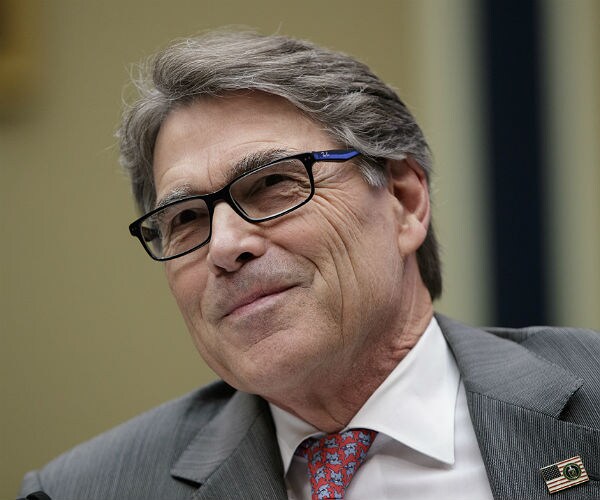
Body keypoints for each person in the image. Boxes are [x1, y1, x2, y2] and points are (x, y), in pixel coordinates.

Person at [18, 31, 599, 500]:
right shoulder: (81, 490)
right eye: (186, 218)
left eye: (272, 183)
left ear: (404, 201)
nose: (224, 246)